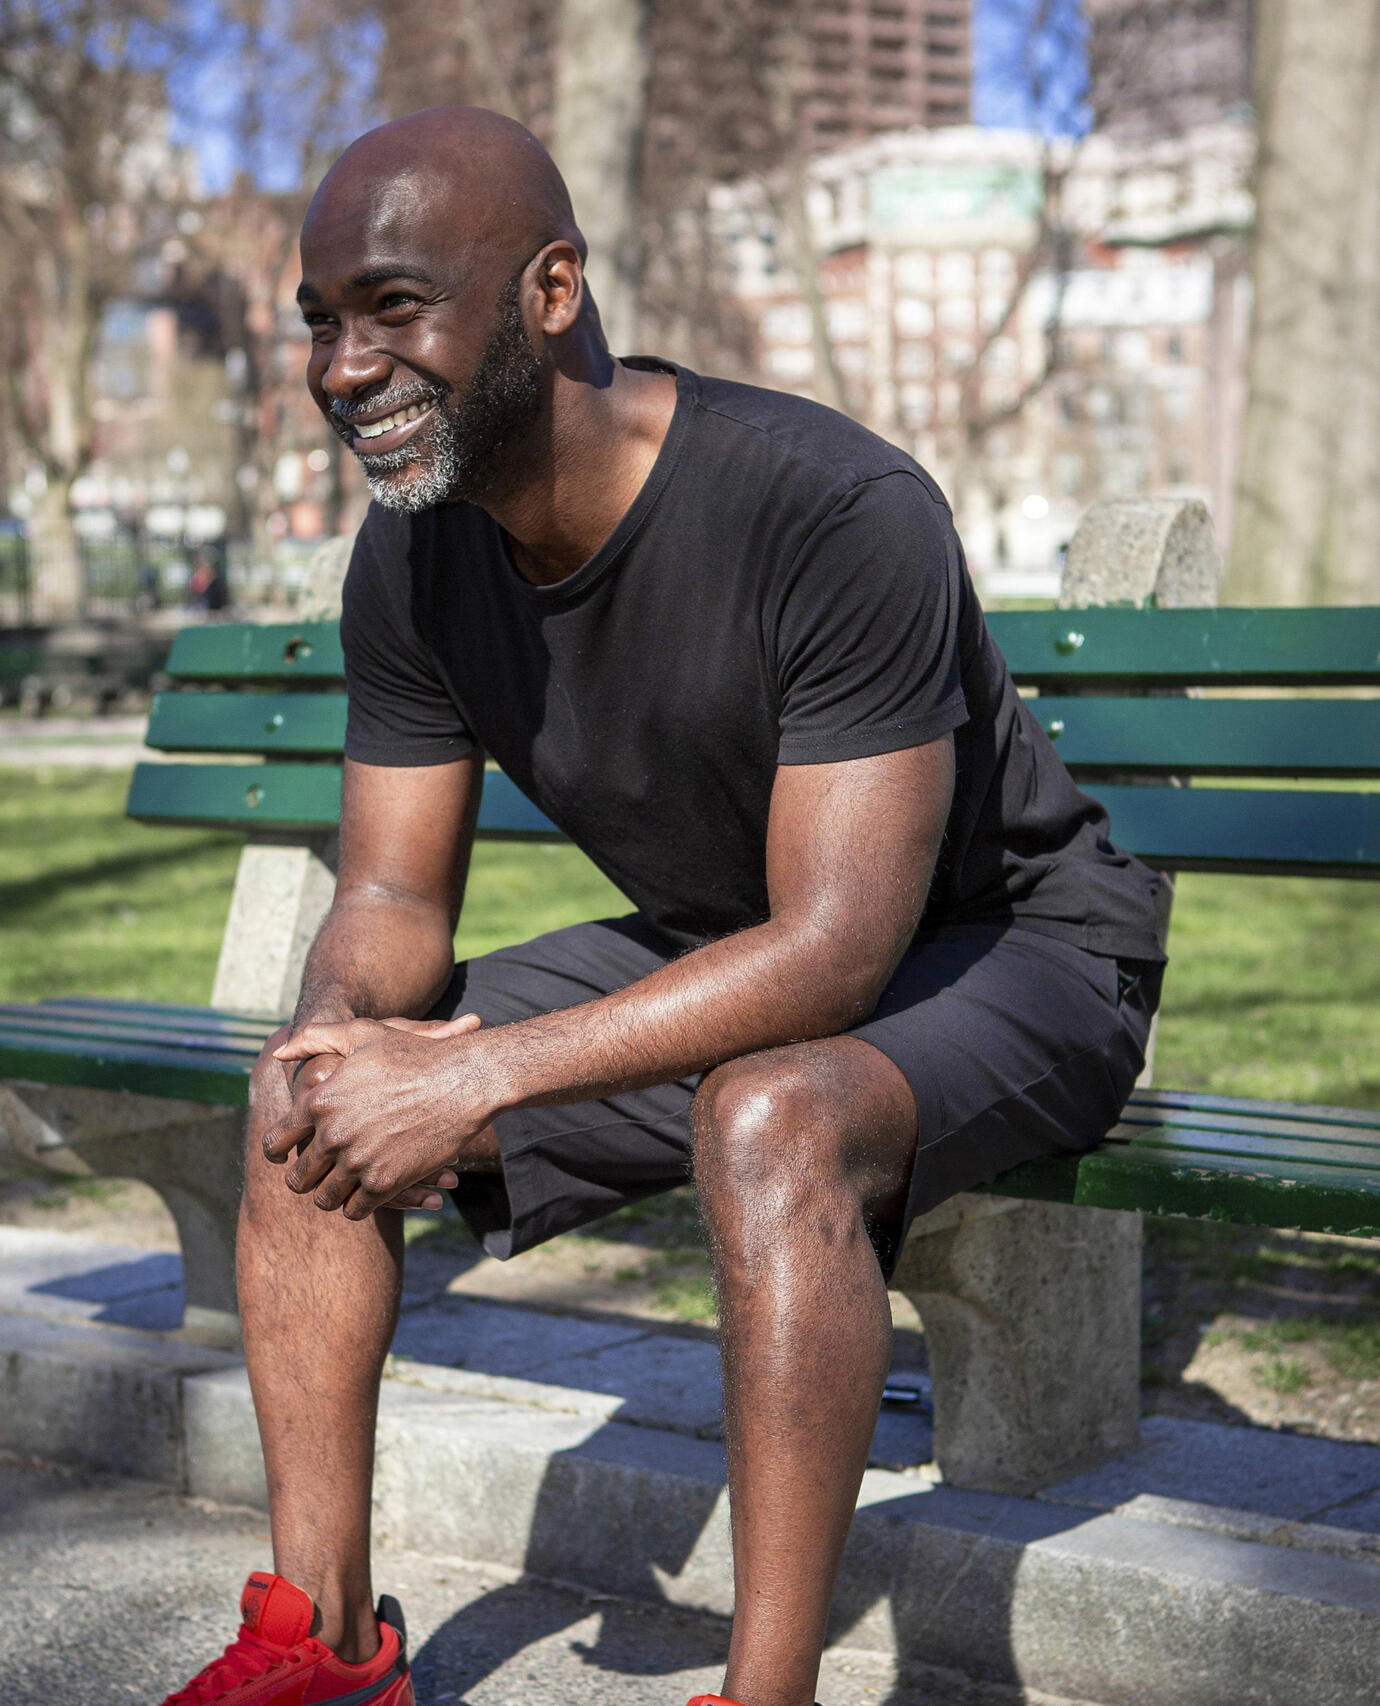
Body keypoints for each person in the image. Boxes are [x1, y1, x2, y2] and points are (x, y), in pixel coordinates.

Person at [159, 106, 1164, 1706]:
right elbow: (393, 891)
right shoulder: (414, 558)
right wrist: (344, 1029)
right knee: (311, 1087)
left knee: (770, 1115)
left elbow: (837, 947)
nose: (344, 368)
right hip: (738, 936)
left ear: (551, 290)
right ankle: (327, 1654)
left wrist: (480, 1075)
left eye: (394, 307)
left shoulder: (826, 507)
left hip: (1021, 946)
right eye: (322, 322)